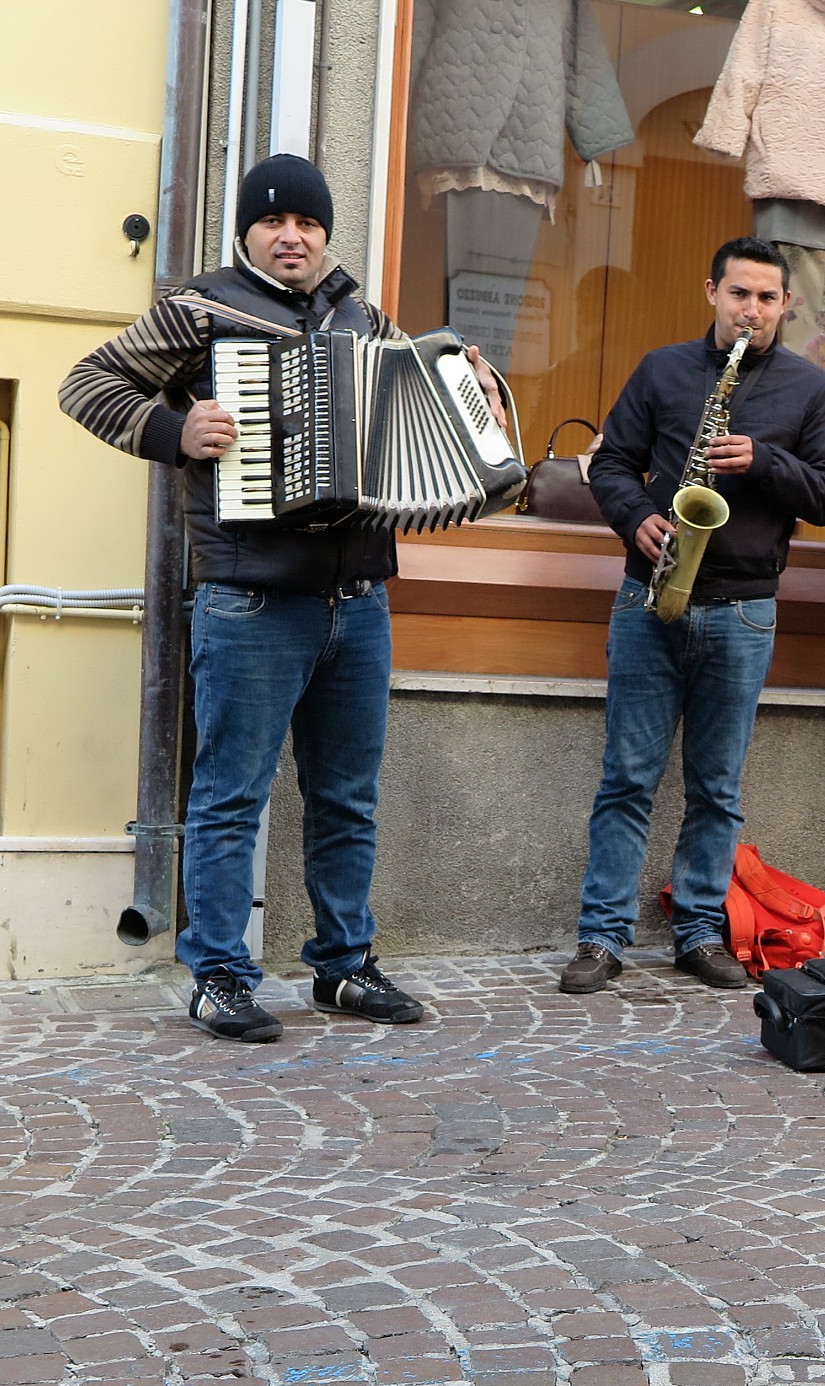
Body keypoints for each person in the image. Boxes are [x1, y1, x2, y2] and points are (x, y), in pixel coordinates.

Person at [61, 154, 504, 1043]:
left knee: (347, 797)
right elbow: (87, 383)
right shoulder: (202, 309)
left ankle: (342, 966)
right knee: (232, 795)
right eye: (273, 223)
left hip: (358, 600)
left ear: (324, 232)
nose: (291, 236)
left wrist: (476, 397)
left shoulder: (364, 315)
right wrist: (176, 428)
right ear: (247, 232)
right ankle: (219, 974)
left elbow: (415, 416)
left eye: (306, 223)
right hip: (252, 601)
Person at [561, 238, 825, 994]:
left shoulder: (810, 390)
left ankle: (698, 929)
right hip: (649, 598)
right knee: (626, 777)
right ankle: (602, 936)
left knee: (717, 787)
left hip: (744, 609)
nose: (751, 310)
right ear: (711, 293)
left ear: (786, 305)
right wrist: (637, 521)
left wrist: (766, 462)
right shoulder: (662, 370)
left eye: (765, 298)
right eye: (738, 294)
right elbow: (612, 465)